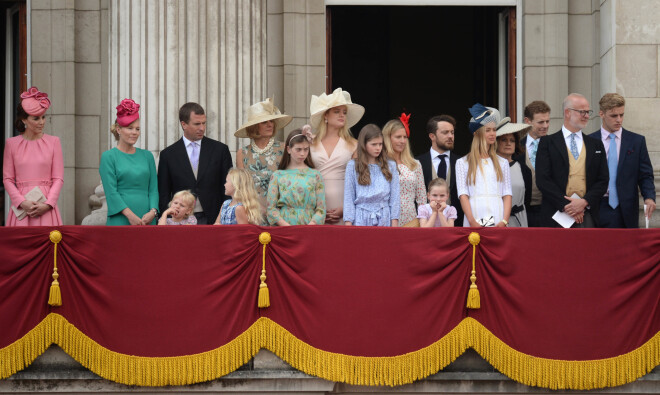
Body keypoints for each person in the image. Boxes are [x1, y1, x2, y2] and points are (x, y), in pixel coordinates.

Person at [535, 93, 609, 228]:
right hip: (556, 215)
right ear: (567, 113)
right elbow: (543, 179)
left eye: (588, 112)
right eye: (582, 112)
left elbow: (603, 180)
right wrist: (567, 206)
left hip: (587, 215)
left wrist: (584, 202)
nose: (587, 116)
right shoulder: (547, 143)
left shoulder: (596, 145)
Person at [588, 93, 656, 228]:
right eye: (614, 116)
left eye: (621, 115)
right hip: (596, 206)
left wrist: (649, 197)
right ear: (601, 114)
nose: (619, 119)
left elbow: (645, 175)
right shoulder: (589, 141)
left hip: (626, 208)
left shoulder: (636, 141)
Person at [158, 102, 233, 224]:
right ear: (184, 124)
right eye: (197, 124)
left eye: (204, 123)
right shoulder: (168, 155)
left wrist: (225, 218)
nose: (202, 128)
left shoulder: (220, 150)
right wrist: (168, 220)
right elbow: (164, 193)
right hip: (179, 221)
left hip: (214, 219)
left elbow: (228, 187)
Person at [3, 87, 63, 226]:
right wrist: (21, 202)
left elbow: (58, 178)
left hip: (46, 207)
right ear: (24, 120)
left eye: (43, 117)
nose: (41, 122)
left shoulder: (54, 142)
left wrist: (48, 204)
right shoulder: (11, 144)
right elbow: (7, 179)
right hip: (22, 208)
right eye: (36, 118)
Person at [309, 88, 365, 225]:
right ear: (325, 116)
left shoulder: (354, 144)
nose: (342, 115)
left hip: (343, 205)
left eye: (344, 112)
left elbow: (359, 181)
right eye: (337, 111)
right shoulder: (310, 142)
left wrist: (345, 208)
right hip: (314, 206)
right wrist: (317, 210)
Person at [100, 99, 159, 225]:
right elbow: (111, 192)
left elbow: (153, 189)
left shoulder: (147, 156)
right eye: (129, 128)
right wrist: (130, 215)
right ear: (118, 129)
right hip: (121, 218)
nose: (134, 132)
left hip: (147, 219)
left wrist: (153, 211)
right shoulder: (108, 157)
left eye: (137, 129)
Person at [456, 104, 512, 227]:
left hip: (498, 215)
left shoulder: (502, 163)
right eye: (488, 130)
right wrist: (471, 221)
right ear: (477, 133)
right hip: (474, 215)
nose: (493, 133)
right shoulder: (463, 162)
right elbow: (463, 194)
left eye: (494, 130)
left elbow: (507, 193)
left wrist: (504, 221)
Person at [234, 98, 292, 207]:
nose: (270, 125)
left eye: (271, 121)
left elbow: (291, 182)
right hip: (253, 211)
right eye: (264, 122)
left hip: (279, 211)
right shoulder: (242, 153)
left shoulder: (284, 149)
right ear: (254, 127)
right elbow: (241, 188)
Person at [267, 128, 326, 226]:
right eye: (298, 149)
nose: (302, 153)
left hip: (309, 226)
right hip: (284, 227)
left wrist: (311, 225)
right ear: (289, 149)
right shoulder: (278, 175)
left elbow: (321, 208)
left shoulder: (315, 175)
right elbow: (271, 208)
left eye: (306, 149)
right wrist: (285, 225)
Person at [343, 124, 400, 227]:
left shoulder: (390, 165)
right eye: (373, 144)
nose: (378, 148)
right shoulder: (352, 166)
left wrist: (394, 223)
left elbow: (395, 198)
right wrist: (348, 223)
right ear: (364, 144)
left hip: (384, 217)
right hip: (360, 217)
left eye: (380, 144)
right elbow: (349, 197)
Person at [416, 115, 463, 226]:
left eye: (452, 132)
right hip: (425, 226)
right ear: (432, 136)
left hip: (455, 225)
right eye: (445, 132)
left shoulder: (462, 162)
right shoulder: (417, 162)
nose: (450, 136)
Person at [382, 114, 426, 226]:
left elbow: (421, 198)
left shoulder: (415, 164)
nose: (402, 141)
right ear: (387, 138)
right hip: (385, 221)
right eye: (398, 137)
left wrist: (422, 221)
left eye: (405, 137)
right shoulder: (380, 164)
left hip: (411, 221)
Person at [496, 121, 533, 227]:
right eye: (504, 140)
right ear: (496, 142)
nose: (508, 143)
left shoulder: (523, 169)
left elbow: (527, 200)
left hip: (518, 220)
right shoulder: (488, 167)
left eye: (512, 141)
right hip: (497, 219)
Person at [521, 101, 551, 227]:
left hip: (549, 209)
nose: (545, 126)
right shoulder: (516, 147)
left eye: (547, 121)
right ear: (527, 121)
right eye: (540, 122)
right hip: (523, 210)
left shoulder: (555, 145)